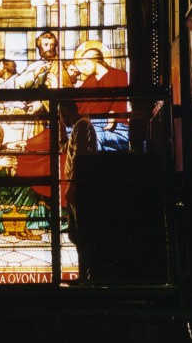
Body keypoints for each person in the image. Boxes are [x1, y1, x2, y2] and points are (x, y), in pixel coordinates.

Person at [58, 100, 97, 284]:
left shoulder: (81, 126)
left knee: (80, 231)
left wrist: (71, 186)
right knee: (78, 231)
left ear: (67, 111)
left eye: (61, 114)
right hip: (79, 184)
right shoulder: (78, 127)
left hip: (80, 186)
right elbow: (64, 148)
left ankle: (85, 275)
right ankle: (85, 274)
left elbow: (79, 159)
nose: (61, 118)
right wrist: (60, 126)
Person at [74, 40, 129, 151]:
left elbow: (124, 100)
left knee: (92, 137)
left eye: (85, 63)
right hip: (93, 124)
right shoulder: (88, 82)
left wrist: (113, 114)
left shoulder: (120, 75)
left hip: (119, 128)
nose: (83, 68)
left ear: (95, 61)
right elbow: (76, 104)